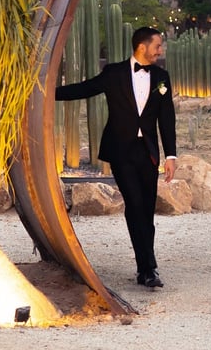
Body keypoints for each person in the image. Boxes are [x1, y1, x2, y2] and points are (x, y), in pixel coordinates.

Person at [56, 26, 177, 288]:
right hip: (121, 151)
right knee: (134, 205)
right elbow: (84, 89)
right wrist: (46, 93)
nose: (160, 51)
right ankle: (148, 268)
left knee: (146, 209)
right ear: (142, 47)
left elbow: (167, 120)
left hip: (148, 153)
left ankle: (147, 266)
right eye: (158, 46)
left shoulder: (161, 77)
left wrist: (171, 156)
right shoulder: (114, 73)